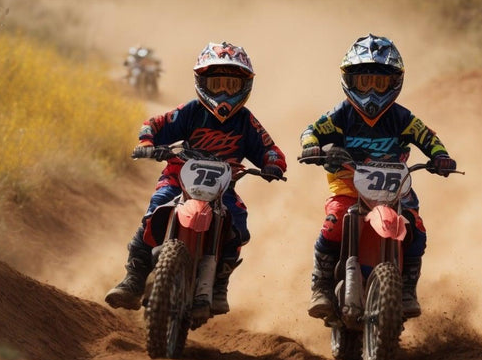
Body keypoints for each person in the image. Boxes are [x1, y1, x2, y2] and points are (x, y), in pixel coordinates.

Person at [105, 41, 287, 316]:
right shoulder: (190, 111)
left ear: (244, 86)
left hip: (221, 190)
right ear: (202, 83)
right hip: (178, 179)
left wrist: (273, 164)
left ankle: (218, 285)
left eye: (231, 85)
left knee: (237, 222)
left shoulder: (247, 122)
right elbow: (155, 123)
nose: (224, 92)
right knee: (155, 210)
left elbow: (269, 148)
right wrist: (148, 141)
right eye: (217, 85)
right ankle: (133, 279)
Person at [299, 34, 457, 319]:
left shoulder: (401, 117)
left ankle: (407, 288)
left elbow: (428, 137)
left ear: (394, 83)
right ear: (350, 81)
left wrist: (440, 157)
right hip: (348, 183)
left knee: (416, 228)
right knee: (334, 222)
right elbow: (311, 131)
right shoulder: (342, 114)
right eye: (364, 82)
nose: (371, 90)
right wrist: (311, 147)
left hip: (395, 186)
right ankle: (321, 285)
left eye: (380, 82)